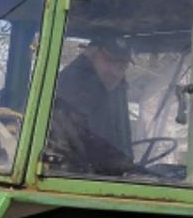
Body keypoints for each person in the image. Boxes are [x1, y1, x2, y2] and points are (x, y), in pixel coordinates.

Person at [47, 34, 135, 175]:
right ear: (90, 55)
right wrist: (124, 165)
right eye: (108, 61)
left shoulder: (114, 92)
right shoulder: (75, 89)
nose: (115, 72)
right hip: (68, 174)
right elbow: (87, 141)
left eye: (121, 66)